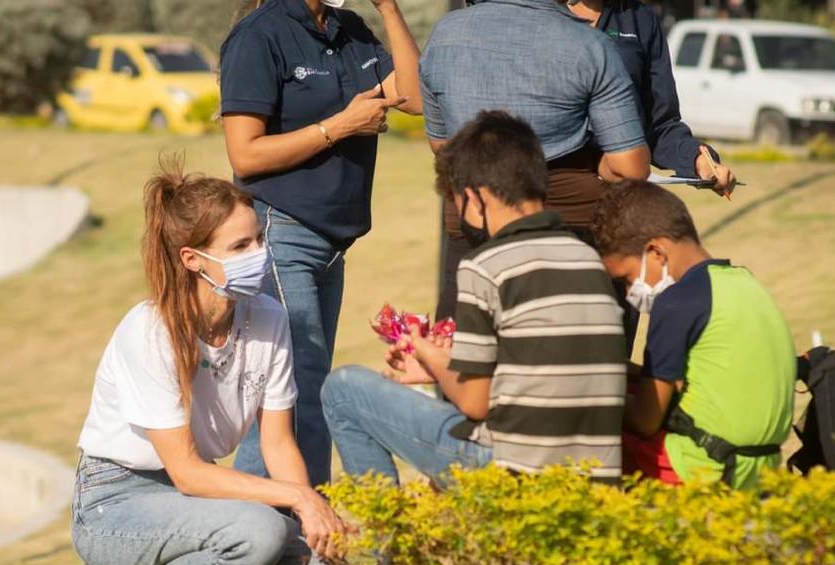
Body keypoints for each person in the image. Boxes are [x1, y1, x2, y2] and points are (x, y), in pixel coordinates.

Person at [71, 161, 348, 565]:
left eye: (259, 239)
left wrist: (310, 515)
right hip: (115, 505)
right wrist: (301, 501)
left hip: (199, 504)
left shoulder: (270, 319)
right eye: (240, 246)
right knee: (259, 532)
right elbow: (187, 473)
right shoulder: (150, 331)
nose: (259, 253)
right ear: (192, 259)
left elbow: (277, 443)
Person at [322, 112, 626, 483]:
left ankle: (385, 538)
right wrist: (438, 366)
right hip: (595, 476)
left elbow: (475, 402)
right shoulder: (590, 260)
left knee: (344, 390)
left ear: (475, 199)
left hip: (513, 474)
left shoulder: (486, 266)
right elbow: (539, 378)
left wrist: (425, 349)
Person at [220, 0, 423, 488]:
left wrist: (389, 9)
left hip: (331, 244)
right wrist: (339, 127)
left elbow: (414, 97)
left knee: (290, 391)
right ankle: (302, 538)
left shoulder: (348, 28)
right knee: (300, 389)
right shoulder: (259, 35)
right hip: (280, 231)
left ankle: (259, 533)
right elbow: (244, 153)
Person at [422, 0, 651, 321]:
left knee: (466, 359)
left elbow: (442, 144)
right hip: (569, 234)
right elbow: (631, 167)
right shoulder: (590, 44)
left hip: (473, 230)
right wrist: (594, 160)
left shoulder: (444, 33)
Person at [591, 181, 795, 489]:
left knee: (587, 430)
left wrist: (594, 394)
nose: (629, 291)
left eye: (626, 278)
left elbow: (646, 420)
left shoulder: (676, 302)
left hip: (700, 466)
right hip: (758, 465)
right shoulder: (745, 283)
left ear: (656, 252)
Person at [563, 0, 737, 192]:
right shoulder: (533, 15)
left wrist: (698, 160)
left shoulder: (641, 19)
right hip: (554, 193)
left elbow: (660, 126)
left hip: (622, 195)